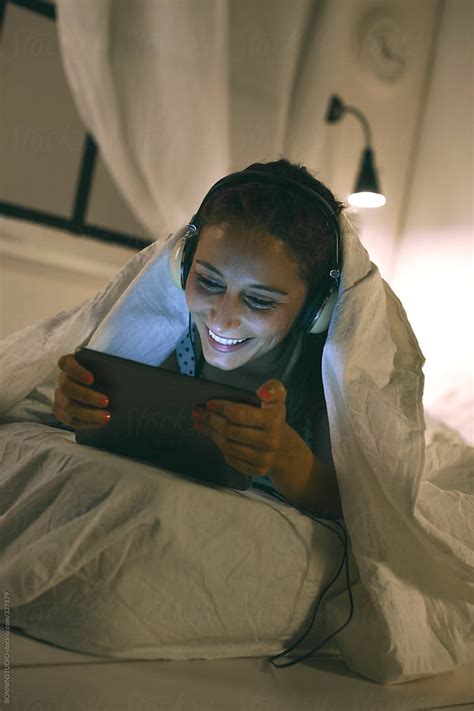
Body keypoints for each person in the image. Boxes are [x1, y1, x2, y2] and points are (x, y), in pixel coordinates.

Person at [52, 158, 345, 519]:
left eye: (259, 301)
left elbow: (368, 513)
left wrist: (287, 458)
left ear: (318, 309)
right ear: (181, 266)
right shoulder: (167, 342)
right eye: (207, 281)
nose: (221, 319)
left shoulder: (328, 388)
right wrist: (76, 407)